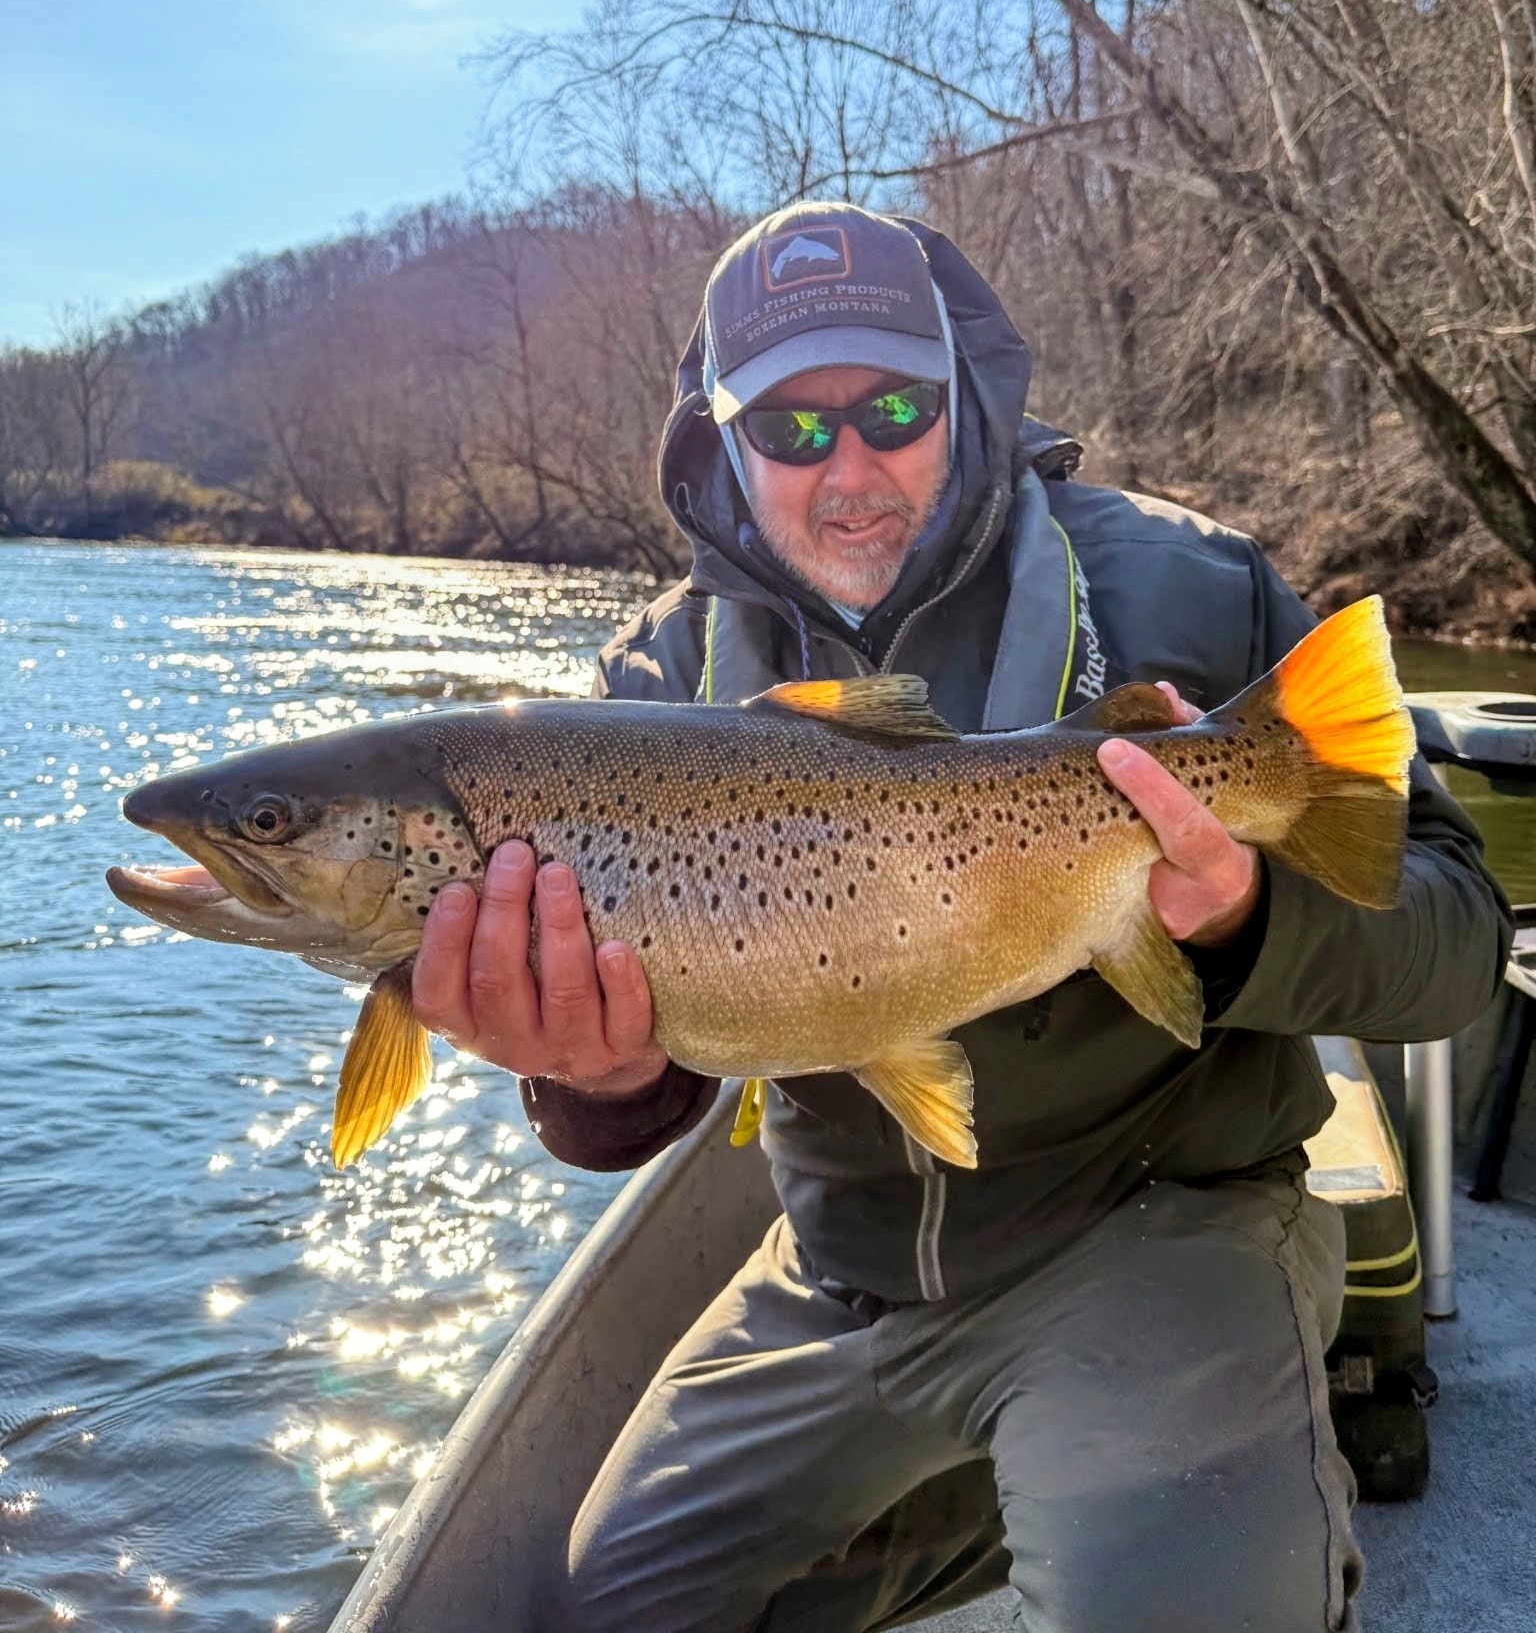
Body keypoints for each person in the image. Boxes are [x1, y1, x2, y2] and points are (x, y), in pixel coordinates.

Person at [410, 203, 1511, 1632]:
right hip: (838, 1267)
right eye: (794, 431)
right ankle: (989, 1503)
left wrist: (1243, 917)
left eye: (892, 410)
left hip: (1158, 1228)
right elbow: (644, 1080)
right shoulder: (657, 683)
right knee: (592, 1616)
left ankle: (1143, 1498)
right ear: (726, 446)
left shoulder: (1193, 591)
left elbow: (1460, 943)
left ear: (963, 392)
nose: (851, 470)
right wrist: (595, 1081)